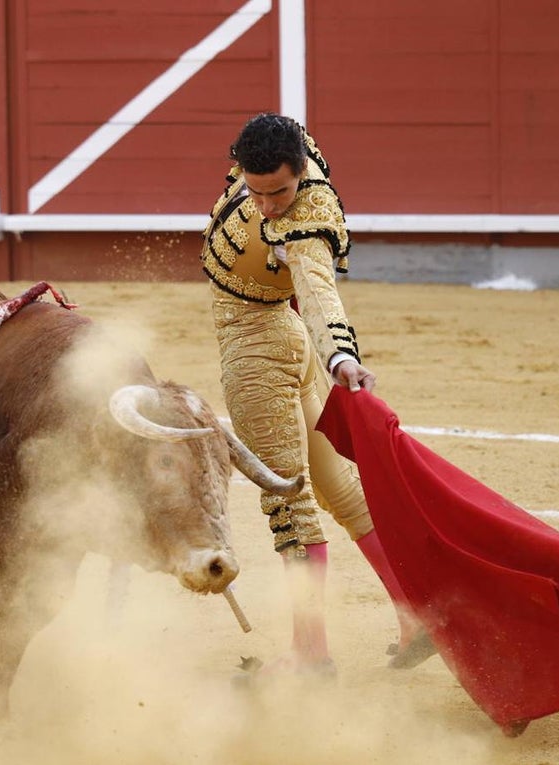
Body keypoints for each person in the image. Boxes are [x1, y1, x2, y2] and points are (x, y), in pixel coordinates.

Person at [200, 112, 432, 676]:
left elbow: (318, 291)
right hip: (287, 339)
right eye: (255, 192)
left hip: (258, 352)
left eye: (279, 192)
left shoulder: (305, 225)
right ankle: (416, 616)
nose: (267, 207)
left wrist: (342, 354)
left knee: (288, 504)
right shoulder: (284, 145)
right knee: (340, 492)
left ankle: (309, 656)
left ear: (300, 173)